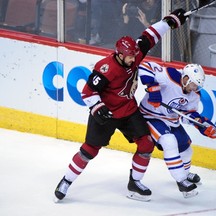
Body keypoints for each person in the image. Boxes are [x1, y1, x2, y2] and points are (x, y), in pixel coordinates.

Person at [54, 8, 189, 202]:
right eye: (129, 57)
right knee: (89, 151)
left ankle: (134, 183)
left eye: (134, 56)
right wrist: (97, 108)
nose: (133, 60)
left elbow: (149, 36)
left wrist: (169, 22)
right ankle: (66, 180)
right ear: (119, 54)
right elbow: (88, 92)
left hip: (128, 110)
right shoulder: (106, 68)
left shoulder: (134, 55)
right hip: (107, 113)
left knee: (146, 144)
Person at [138, 61, 216, 198]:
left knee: (187, 151)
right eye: (194, 84)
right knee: (169, 141)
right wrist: (152, 87)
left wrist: (201, 124)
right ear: (186, 78)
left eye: (198, 85)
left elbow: (186, 115)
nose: (195, 88)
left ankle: (185, 175)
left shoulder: (195, 94)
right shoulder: (169, 75)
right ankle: (181, 181)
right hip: (151, 116)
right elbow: (144, 66)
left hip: (171, 121)